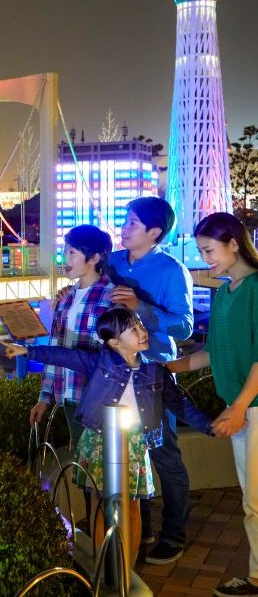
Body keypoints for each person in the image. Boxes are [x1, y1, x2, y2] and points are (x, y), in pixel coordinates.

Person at [4, 306, 215, 572]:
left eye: (140, 325)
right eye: (133, 329)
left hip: (134, 445)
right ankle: (103, 566)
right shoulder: (100, 362)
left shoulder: (155, 371)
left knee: (132, 507)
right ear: (114, 342)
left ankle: (126, 570)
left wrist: (210, 426)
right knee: (99, 505)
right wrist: (26, 351)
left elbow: (180, 405)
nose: (142, 332)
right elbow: (65, 356)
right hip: (98, 440)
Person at [168, 213, 258, 597]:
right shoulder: (224, 294)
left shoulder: (256, 289)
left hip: (252, 407)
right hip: (244, 407)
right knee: (252, 499)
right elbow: (210, 353)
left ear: (233, 244)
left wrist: (238, 407)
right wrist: (165, 368)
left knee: (255, 500)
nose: (204, 259)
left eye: (209, 250)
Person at [107, 196, 195, 564]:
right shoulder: (112, 262)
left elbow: (184, 326)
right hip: (113, 372)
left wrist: (140, 307)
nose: (124, 228)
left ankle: (174, 534)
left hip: (153, 374)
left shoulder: (172, 270)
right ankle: (139, 527)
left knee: (163, 454)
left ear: (154, 232)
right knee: (125, 454)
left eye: (132, 223)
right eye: (125, 221)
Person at [28, 225, 116, 446]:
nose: (64, 257)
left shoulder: (113, 296)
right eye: (64, 251)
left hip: (98, 397)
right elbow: (55, 349)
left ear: (94, 258)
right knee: (81, 459)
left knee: (102, 460)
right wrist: (44, 397)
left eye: (72, 252)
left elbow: (118, 354)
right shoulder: (65, 298)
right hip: (68, 394)